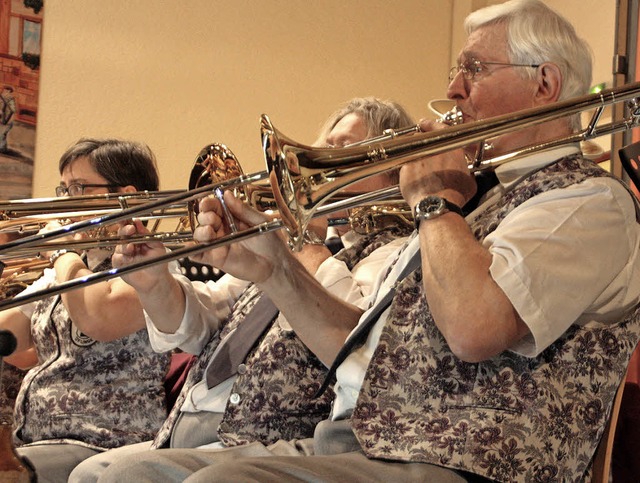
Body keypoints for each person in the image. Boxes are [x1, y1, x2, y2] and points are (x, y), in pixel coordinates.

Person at [95, 1, 640, 482]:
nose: (452, 90)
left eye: (474, 69)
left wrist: (432, 203)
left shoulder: (589, 202)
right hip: (363, 440)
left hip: (462, 463)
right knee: (129, 474)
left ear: (545, 84)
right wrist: (274, 267)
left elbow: (475, 330)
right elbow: (358, 352)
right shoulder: (475, 203)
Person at [68, 98, 415, 482]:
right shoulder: (301, 245)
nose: (322, 162)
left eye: (343, 148)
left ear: (390, 171)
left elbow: (355, 345)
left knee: (128, 475)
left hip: (266, 436)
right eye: (323, 148)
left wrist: (298, 248)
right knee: (88, 475)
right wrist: (155, 283)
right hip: (192, 422)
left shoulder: (392, 251)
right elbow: (202, 323)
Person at [0, 138, 172, 482]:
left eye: (77, 187)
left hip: (103, 440)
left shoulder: (156, 265)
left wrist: (61, 252)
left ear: (126, 195)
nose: (63, 203)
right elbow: (8, 335)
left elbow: (100, 318)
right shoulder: (70, 267)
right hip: (36, 438)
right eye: (63, 189)